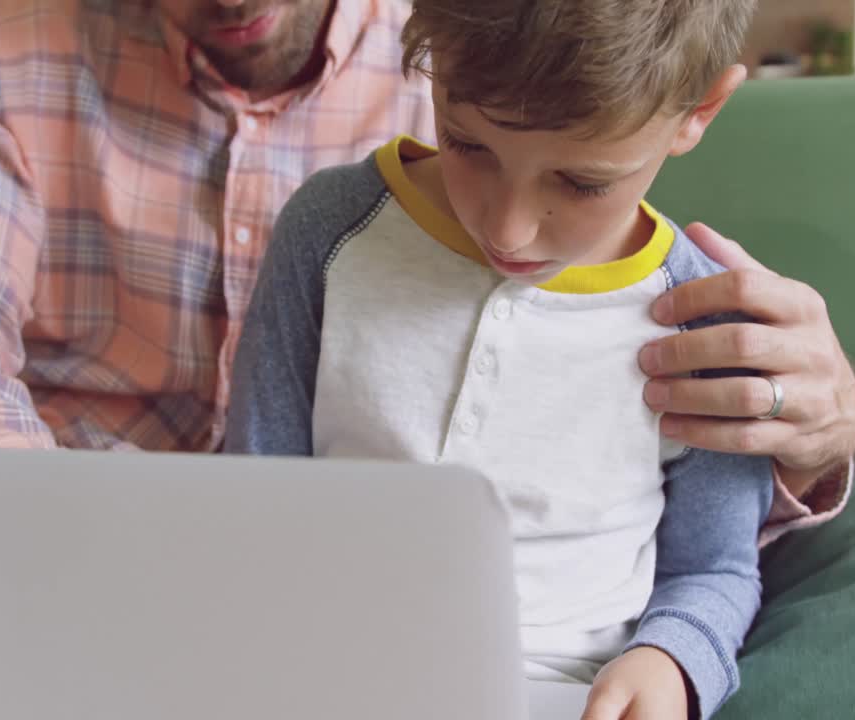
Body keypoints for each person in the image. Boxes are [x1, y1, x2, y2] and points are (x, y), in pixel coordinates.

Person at [0, 2, 855, 537]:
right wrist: (63, 531)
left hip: (375, 576)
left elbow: (610, 462)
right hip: (61, 526)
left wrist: (801, 443)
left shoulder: (480, 59)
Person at [223, 0, 811, 717]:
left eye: (581, 183)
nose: (508, 228)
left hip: (565, 695)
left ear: (701, 110)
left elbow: (714, 568)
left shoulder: (708, 328)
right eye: (469, 145)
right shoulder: (328, 233)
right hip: (329, 678)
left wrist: (672, 660)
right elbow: (255, 500)